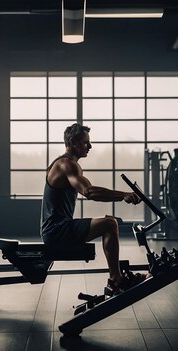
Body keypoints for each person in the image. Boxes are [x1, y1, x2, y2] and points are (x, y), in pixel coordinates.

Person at [40, 123, 149, 295]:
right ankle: (116, 280)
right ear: (73, 142)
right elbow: (88, 192)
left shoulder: (62, 163)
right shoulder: (66, 165)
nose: (90, 146)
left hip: (56, 229)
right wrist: (123, 195)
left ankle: (116, 278)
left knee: (108, 221)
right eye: (85, 142)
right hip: (56, 231)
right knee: (109, 223)